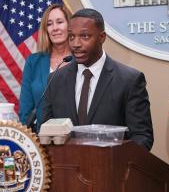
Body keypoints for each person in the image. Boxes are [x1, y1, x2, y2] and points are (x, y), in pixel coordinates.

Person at [42, 8, 154, 150]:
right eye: (71, 37)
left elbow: (142, 137)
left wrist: (115, 163)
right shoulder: (55, 80)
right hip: (67, 169)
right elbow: (47, 133)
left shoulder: (129, 80)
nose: (75, 44)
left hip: (111, 169)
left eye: (84, 36)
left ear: (102, 37)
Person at [19, 4, 72, 131]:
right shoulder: (34, 61)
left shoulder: (81, 60)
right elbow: (25, 109)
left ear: (70, 25)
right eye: (49, 24)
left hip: (73, 139)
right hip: (40, 139)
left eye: (60, 22)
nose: (55, 28)